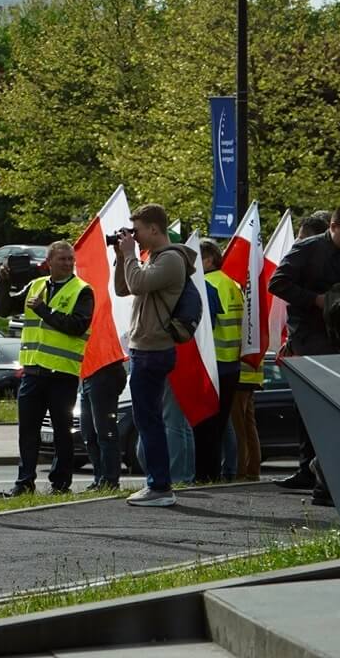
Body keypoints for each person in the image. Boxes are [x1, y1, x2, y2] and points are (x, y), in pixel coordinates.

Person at [268, 203, 340, 495]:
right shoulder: (307, 250)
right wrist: (315, 300)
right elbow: (278, 283)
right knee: (313, 407)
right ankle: (310, 471)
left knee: (326, 408)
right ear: (333, 226)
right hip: (310, 338)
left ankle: (316, 470)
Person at [113, 203, 196, 508]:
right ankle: (157, 484)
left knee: (149, 420)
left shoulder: (172, 259)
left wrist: (131, 255)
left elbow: (138, 283)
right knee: (146, 418)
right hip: (142, 348)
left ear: (153, 229)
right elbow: (124, 288)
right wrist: (120, 257)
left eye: (137, 231)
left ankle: (160, 486)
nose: (134, 236)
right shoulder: (152, 259)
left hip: (153, 349)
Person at [0, 239, 94, 496]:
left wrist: (43, 309)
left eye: (70, 259)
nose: (67, 263)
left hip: (62, 374)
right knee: (28, 431)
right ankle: (24, 481)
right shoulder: (36, 285)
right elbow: (3, 309)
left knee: (62, 431)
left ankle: (61, 483)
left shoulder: (83, 290)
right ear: (49, 262)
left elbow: (77, 326)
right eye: (62, 259)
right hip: (33, 371)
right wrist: (3, 282)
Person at [197, 239, 245, 483]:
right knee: (222, 423)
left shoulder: (207, 284)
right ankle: (224, 473)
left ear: (208, 260)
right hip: (232, 365)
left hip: (213, 363)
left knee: (207, 426)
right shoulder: (232, 284)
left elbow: (204, 327)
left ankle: (208, 475)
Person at [79, 344, 127, 493]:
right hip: (88, 374)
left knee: (105, 432)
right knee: (89, 434)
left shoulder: (104, 320)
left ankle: (110, 481)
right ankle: (100, 478)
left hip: (105, 371)